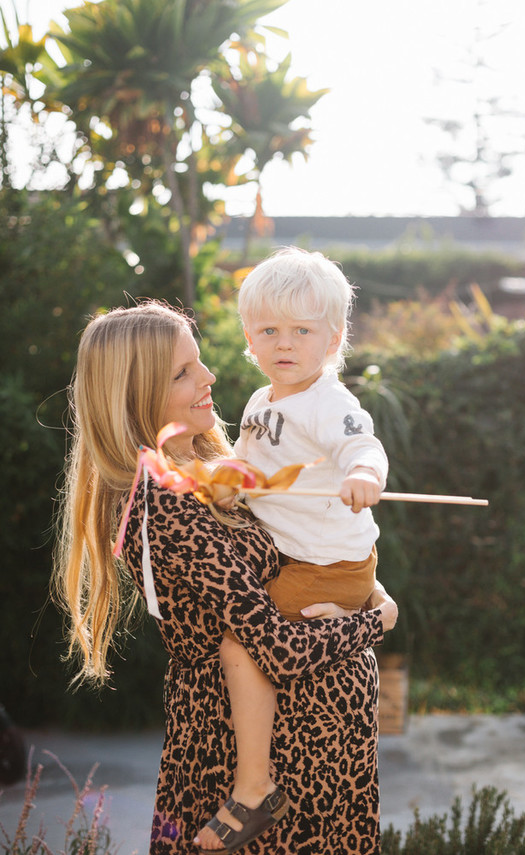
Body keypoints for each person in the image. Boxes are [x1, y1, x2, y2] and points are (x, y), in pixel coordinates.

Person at [52, 300, 398, 855]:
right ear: (138, 396)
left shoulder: (215, 466)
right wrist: (378, 620)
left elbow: (302, 553)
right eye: (183, 373)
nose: (209, 378)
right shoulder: (164, 508)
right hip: (262, 765)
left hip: (325, 752)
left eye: (201, 361)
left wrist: (362, 581)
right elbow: (276, 650)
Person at [198, 247, 389, 852]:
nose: (284, 344)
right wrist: (229, 479)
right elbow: (251, 470)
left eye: (302, 331)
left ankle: (255, 787)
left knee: (241, 647)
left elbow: (366, 447)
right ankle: (353, 617)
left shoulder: (329, 404)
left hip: (326, 566)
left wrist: (363, 474)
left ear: (332, 340)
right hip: (297, 558)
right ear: (249, 339)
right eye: (268, 331)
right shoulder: (261, 402)